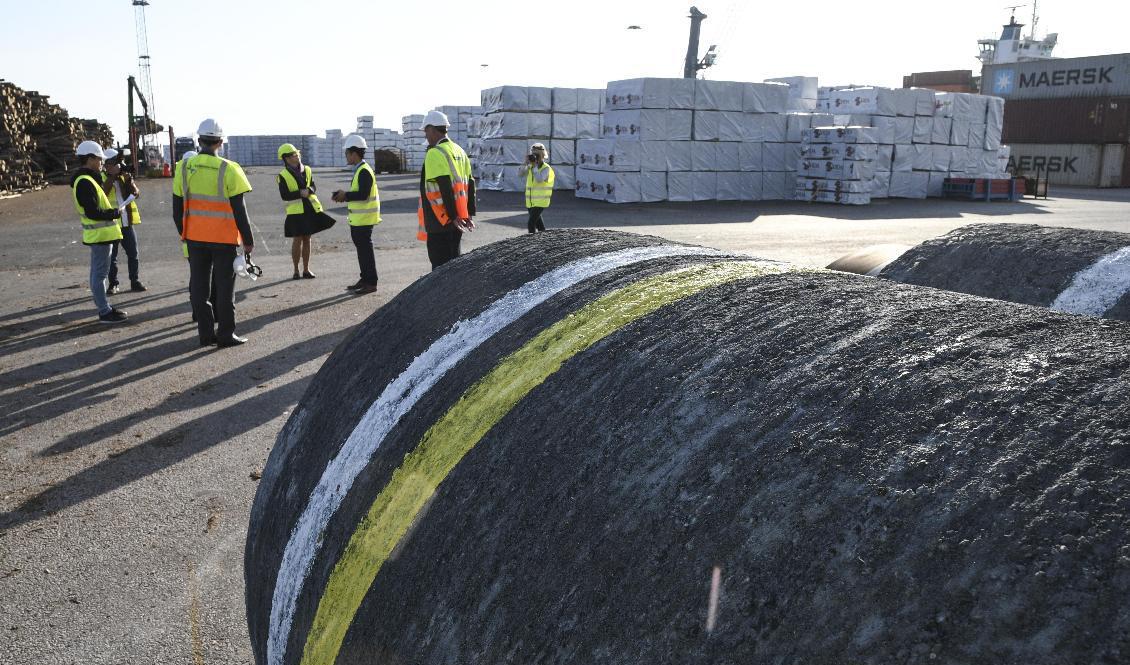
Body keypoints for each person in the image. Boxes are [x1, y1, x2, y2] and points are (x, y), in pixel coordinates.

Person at [172, 119, 255, 348]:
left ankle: (206, 334)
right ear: (220, 142)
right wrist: (248, 241)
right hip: (224, 239)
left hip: (195, 238)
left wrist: (185, 234)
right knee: (225, 290)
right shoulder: (229, 169)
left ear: (199, 140)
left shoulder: (183, 168)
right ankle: (226, 335)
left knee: (199, 290)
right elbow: (240, 209)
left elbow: (176, 210)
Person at [71, 141, 127, 324]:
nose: (102, 162)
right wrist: (114, 213)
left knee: (98, 273)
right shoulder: (85, 182)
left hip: (100, 235)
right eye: (99, 159)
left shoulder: (87, 180)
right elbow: (93, 212)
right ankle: (104, 311)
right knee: (100, 274)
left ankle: (104, 308)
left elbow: (94, 209)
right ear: (90, 159)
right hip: (99, 236)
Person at [417, 110, 476, 270]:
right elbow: (470, 183)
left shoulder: (435, 153)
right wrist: (469, 213)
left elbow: (444, 185)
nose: (426, 136)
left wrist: (451, 215)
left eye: (426, 132)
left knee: (439, 268)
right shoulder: (459, 151)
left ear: (431, 129)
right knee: (454, 265)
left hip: (440, 221)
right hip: (458, 220)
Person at [331, 135, 381, 294]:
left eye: (347, 153)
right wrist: (344, 195)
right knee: (362, 252)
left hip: (364, 220)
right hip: (359, 219)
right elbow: (359, 193)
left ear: (354, 153)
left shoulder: (364, 171)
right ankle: (365, 279)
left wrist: (345, 195)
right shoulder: (360, 169)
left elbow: (363, 194)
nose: (346, 156)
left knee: (365, 252)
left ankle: (371, 282)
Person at [277, 143, 334, 280]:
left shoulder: (307, 169)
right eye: (294, 155)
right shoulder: (282, 175)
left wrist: (310, 190)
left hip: (309, 208)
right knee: (297, 239)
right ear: (286, 158)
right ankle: (296, 270)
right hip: (295, 212)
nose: (297, 156)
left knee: (307, 239)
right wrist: (299, 193)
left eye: (297, 153)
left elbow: (313, 185)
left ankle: (306, 270)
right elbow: (284, 195)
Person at [101, 148, 146, 293]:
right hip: (112, 223)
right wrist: (111, 177)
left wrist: (129, 180)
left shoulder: (123, 176)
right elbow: (103, 193)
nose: (120, 166)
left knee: (133, 254)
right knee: (112, 257)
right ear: (107, 165)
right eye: (116, 163)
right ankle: (113, 284)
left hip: (126, 222)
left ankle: (135, 281)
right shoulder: (101, 177)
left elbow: (136, 193)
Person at [517, 142, 554, 233]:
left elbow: (539, 179)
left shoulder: (546, 168)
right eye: (533, 154)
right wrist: (525, 163)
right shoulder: (530, 167)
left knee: (531, 223)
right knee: (539, 225)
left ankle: (531, 241)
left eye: (537, 155)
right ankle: (545, 239)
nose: (535, 157)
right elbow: (520, 174)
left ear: (542, 155)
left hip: (541, 201)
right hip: (530, 201)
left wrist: (534, 166)